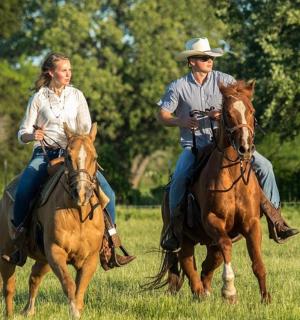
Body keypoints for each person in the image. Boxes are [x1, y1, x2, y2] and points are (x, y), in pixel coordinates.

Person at [157, 37, 299, 252]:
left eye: (211, 57)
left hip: (228, 146)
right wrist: (181, 120)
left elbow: (240, 103)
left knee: (266, 167)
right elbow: (162, 115)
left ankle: (276, 220)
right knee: (179, 178)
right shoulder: (178, 87)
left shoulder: (225, 81)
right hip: (195, 147)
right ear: (191, 61)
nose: (210, 61)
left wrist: (224, 113)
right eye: (204, 58)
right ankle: (173, 229)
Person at [2, 52, 135, 267]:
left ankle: (109, 243)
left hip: (74, 155)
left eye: (70, 70)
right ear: (50, 72)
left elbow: (85, 127)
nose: (68, 74)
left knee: (108, 193)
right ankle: (19, 243)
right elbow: (22, 132)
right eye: (64, 70)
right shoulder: (38, 98)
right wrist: (31, 136)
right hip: (45, 154)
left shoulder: (77, 96)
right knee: (25, 189)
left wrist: (79, 143)